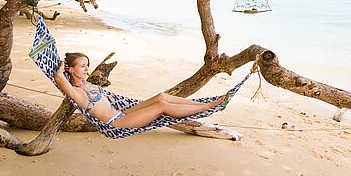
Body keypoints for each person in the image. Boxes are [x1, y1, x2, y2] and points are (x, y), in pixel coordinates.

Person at [54, 52, 227, 129]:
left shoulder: (87, 84)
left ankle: (200, 104)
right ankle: (205, 108)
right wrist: (64, 67)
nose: (87, 69)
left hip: (123, 112)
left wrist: (74, 69)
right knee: (161, 106)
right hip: (117, 123)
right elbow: (59, 78)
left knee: (162, 96)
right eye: (82, 66)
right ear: (71, 69)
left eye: (87, 65)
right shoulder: (77, 92)